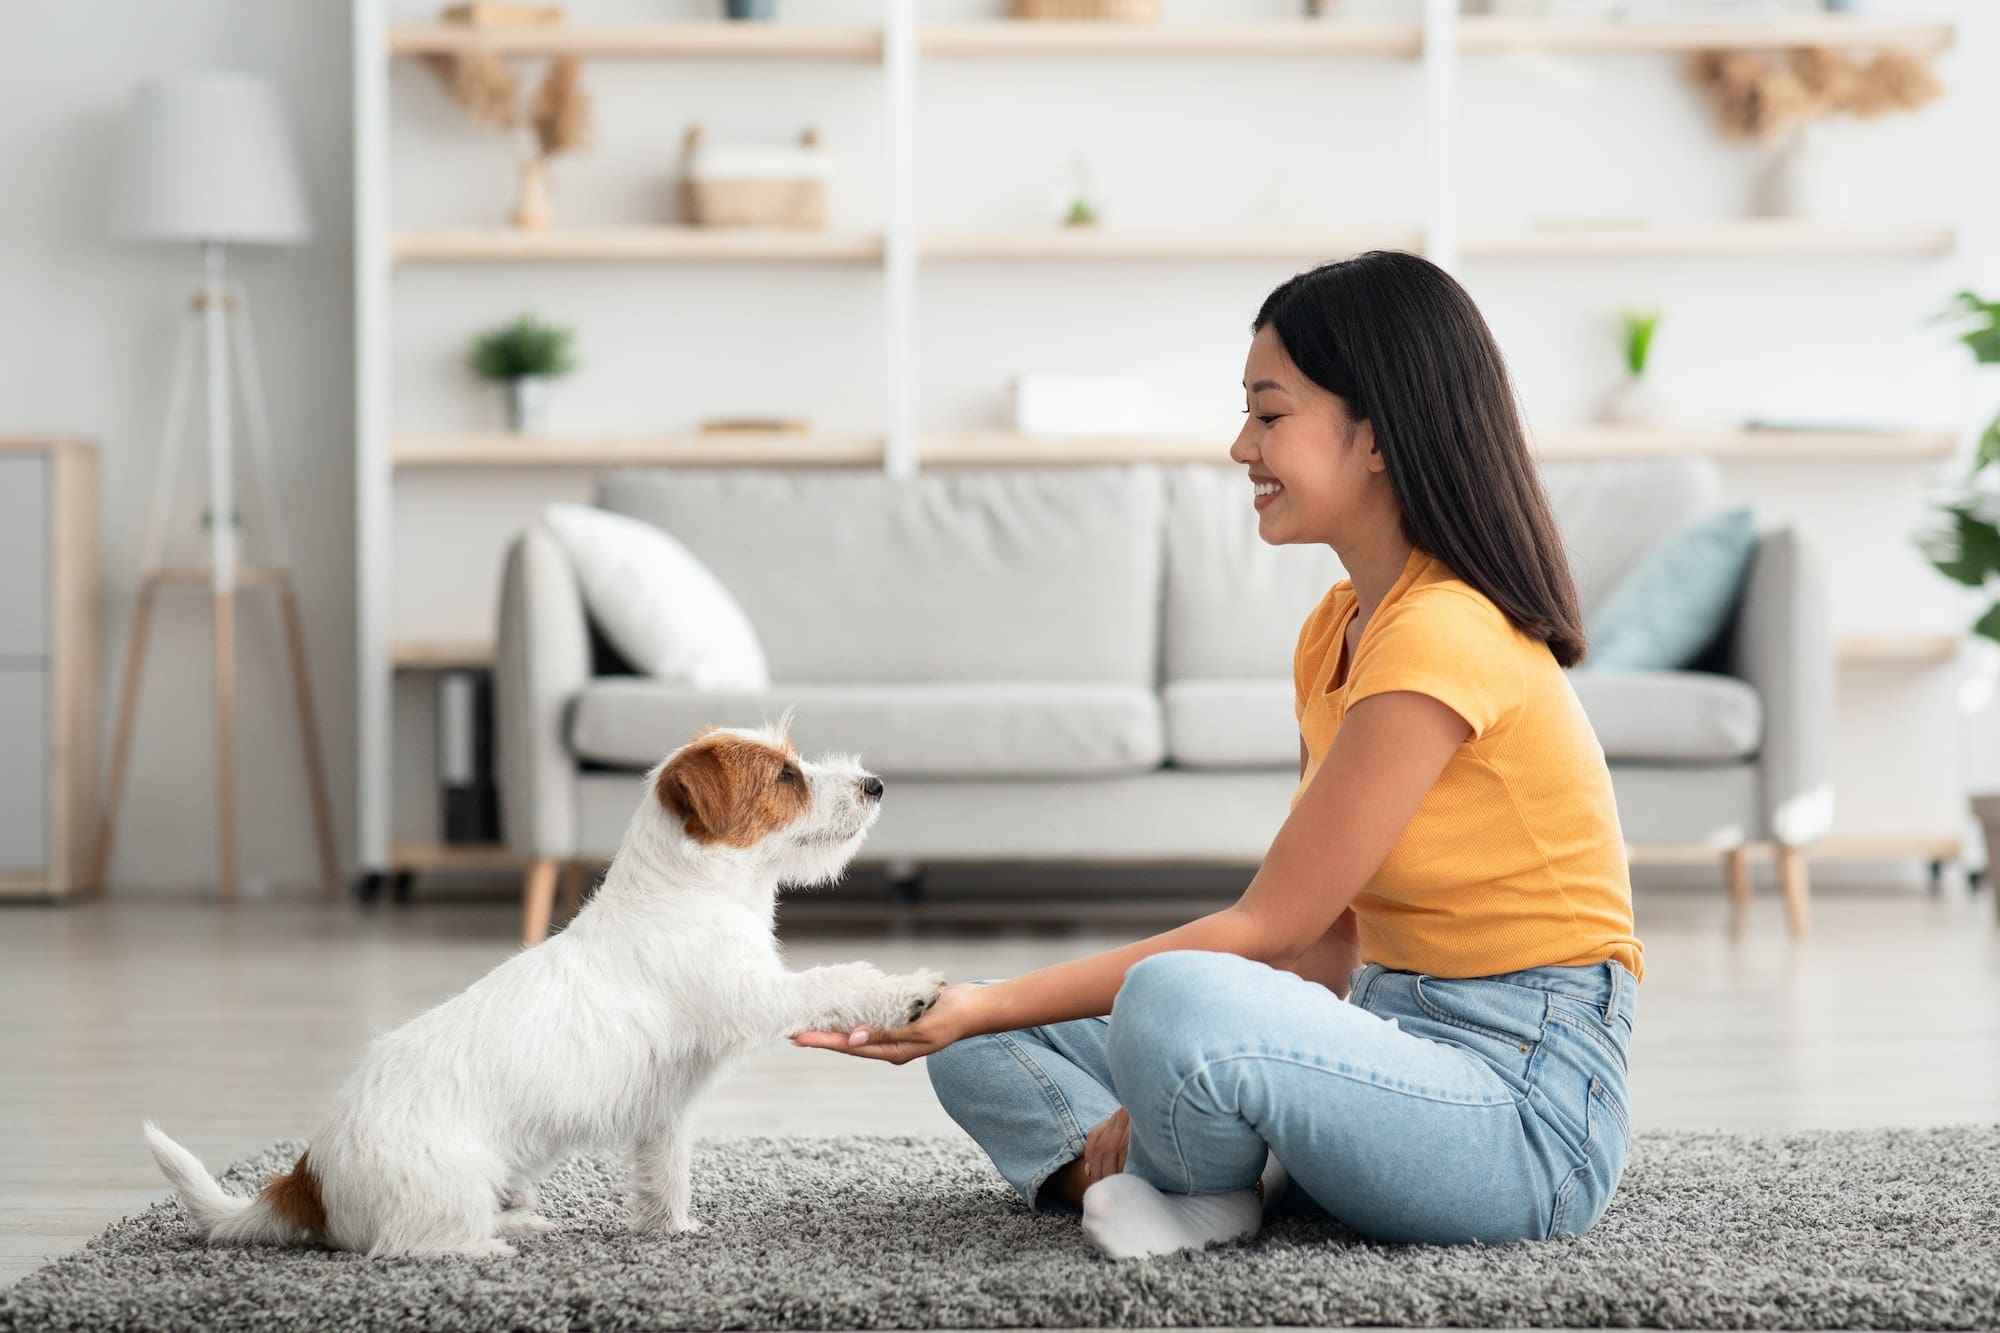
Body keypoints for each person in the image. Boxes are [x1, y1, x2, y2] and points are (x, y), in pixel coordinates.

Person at [793, 251, 1643, 1260]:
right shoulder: (1337, 627)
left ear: (1373, 434)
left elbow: (1264, 924)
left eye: (1269, 412)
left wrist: (1144, 1038)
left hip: (1520, 1117)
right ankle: (1212, 1166)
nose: (1241, 444)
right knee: (984, 1044)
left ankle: (1196, 1185)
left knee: (1165, 995)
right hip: (1383, 1040)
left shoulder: (1444, 632)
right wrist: (988, 1013)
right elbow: (1325, 942)